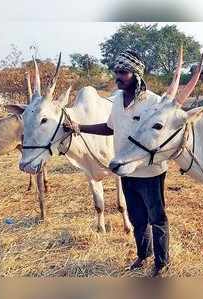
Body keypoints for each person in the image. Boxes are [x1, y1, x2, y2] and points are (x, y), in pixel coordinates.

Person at [63, 50, 169, 277]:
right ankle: (143, 256)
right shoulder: (118, 100)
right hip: (125, 170)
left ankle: (161, 264)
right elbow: (110, 127)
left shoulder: (154, 102)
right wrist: (80, 128)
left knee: (156, 218)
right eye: (116, 72)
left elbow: (164, 135)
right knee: (137, 218)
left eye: (124, 72)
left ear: (137, 75)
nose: (118, 76)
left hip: (150, 172)